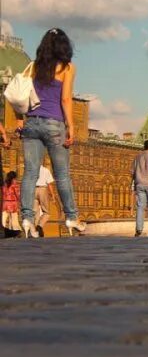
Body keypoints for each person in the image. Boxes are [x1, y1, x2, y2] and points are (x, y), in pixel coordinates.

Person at [19, 29, 83, 236]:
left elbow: (23, 94)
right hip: (54, 124)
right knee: (62, 174)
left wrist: (21, 119)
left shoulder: (34, 66)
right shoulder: (67, 68)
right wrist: (71, 126)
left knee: (29, 174)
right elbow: (65, 99)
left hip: (31, 123)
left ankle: (27, 219)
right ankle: (72, 217)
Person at [3, 170, 19, 237]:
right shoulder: (15, 184)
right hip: (13, 203)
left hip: (5, 203)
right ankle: (14, 232)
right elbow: (17, 194)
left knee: (3, 218)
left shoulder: (4, 183)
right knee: (13, 219)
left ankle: (3, 230)